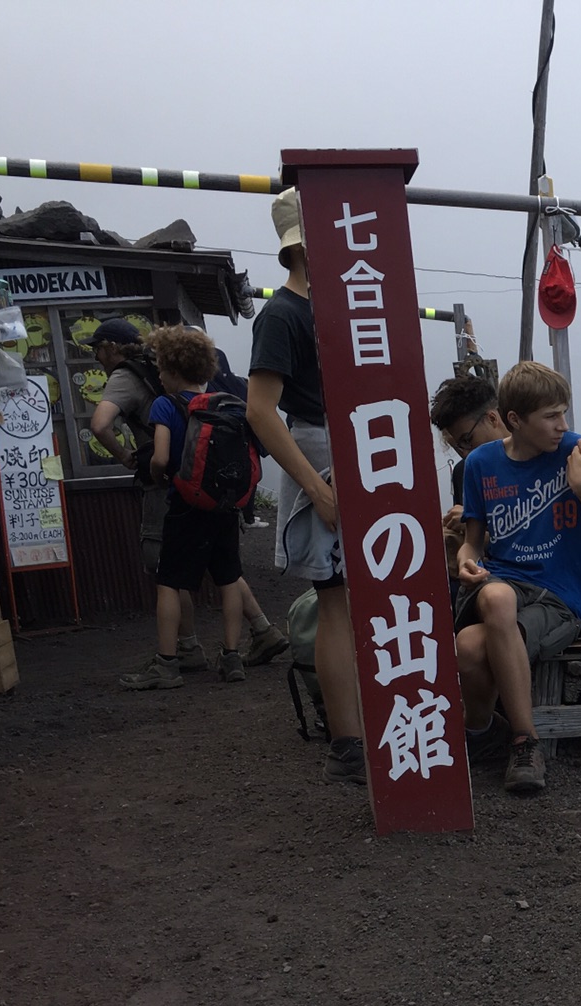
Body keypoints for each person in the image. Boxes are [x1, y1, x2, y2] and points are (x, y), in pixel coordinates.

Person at [456, 361, 581, 794]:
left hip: (562, 594)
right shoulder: (481, 464)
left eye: (564, 413)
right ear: (515, 420)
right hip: (504, 583)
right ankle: (525, 741)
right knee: (497, 600)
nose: (562, 425)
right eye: (551, 416)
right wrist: (465, 559)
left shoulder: (577, 453)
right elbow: (473, 542)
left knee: (468, 647)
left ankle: (479, 734)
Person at [246, 187, 364, 783]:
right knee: (338, 599)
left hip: (364, 448)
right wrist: (316, 490)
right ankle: (348, 738)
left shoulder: (342, 306)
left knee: (364, 597)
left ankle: (367, 726)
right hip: (318, 449)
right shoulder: (282, 314)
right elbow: (260, 411)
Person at [90, 318, 286, 668]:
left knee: (167, 569)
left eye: (97, 350)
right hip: (222, 494)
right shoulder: (221, 398)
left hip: (177, 492)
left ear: (110, 347)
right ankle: (241, 645)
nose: (96, 358)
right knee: (225, 568)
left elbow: (101, 424)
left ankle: (184, 649)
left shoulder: (133, 380)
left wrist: (129, 459)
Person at [118, 327, 249, 690]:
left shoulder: (165, 404)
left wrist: (160, 475)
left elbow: (159, 456)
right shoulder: (227, 403)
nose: (158, 375)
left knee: (170, 582)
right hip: (223, 505)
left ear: (174, 370)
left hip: (185, 504)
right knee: (227, 578)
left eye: (161, 368)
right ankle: (232, 656)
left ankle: (167, 663)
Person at [427, 371, 511, 759]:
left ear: (494, 418)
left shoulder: (549, 457)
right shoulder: (469, 469)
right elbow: (476, 544)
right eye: (456, 446)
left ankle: (474, 719)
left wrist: (481, 526)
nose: (463, 453)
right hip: (488, 574)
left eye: (465, 440)